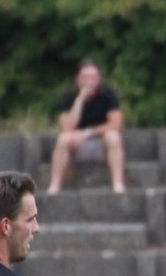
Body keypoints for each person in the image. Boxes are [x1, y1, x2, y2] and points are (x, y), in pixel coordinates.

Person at [47, 59, 126, 194]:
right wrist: (80, 100)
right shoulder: (69, 97)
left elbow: (116, 124)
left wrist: (87, 133)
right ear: (77, 79)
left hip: (100, 137)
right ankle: (55, 185)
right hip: (75, 139)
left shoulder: (108, 95)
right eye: (85, 77)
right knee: (63, 139)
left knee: (114, 137)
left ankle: (118, 184)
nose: (90, 82)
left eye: (94, 77)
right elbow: (67, 127)